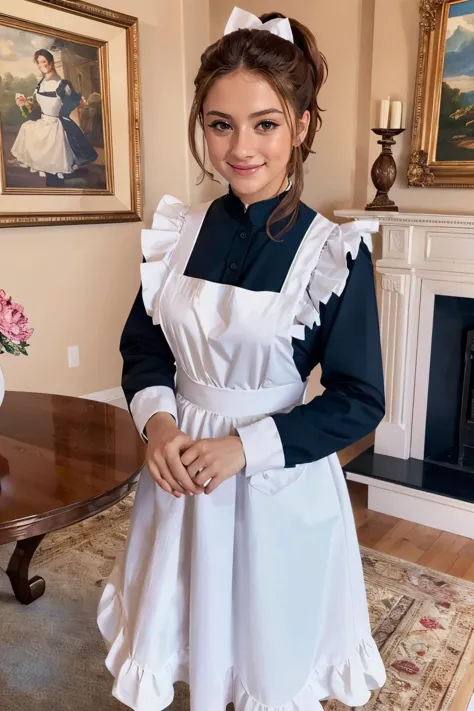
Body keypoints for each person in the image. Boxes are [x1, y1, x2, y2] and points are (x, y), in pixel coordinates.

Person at [97, 7, 387, 711]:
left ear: (303, 125)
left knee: (266, 654)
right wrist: (158, 424)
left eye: (265, 123)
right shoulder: (178, 234)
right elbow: (143, 345)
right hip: (177, 471)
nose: (240, 148)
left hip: (274, 485)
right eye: (220, 124)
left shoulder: (333, 254)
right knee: (186, 625)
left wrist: (242, 449)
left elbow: (358, 398)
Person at [11, 49, 98, 187]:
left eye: (44, 61)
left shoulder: (63, 84)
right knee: (26, 129)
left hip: (56, 127)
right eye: (39, 62)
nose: (41, 65)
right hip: (43, 123)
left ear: (51, 62)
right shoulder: (40, 84)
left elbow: (72, 109)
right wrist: (25, 103)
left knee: (55, 166)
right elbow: (37, 108)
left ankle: (57, 191)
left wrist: (77, 129)